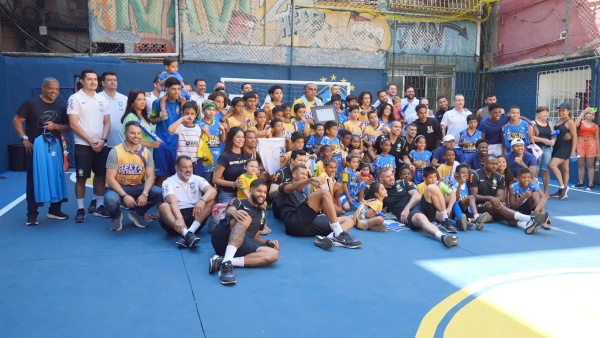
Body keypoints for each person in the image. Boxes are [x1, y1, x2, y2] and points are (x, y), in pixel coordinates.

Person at [12, 77, 71, 225]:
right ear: (43, 88)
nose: (54, 92)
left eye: (57, 89)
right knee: (33, 181)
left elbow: (68, 127)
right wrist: (24, 139)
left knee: (57, 178)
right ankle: (32, 214)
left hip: (54, 148)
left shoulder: (60, 106)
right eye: (51, 88)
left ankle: (54, 210)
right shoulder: (31, 103)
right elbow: (16, 120)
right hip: (36, 149)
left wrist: (56, 127)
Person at [209, 180, 279, 285]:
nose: (262, 195)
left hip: (241, 244)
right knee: (246, 217)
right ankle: (226, 268)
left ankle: (224, 261)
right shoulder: (238, 201)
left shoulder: (263, 213)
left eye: (265, 192)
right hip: (223, 237)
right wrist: (234, 212)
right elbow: (229, 211)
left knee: (274, 254)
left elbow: (254, 236)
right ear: (251, 190)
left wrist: (267, 242)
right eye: (259, 191)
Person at [277, 165, 360, 250]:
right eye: (302, 174)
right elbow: (295, 186)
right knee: (323, 193)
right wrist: (311, 179)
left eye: (306, 175)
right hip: (293, 221)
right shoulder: (284, 185)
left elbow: (336, 209)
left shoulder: (304, 195)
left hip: (309, 223)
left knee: (349, 220)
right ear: (294, 174)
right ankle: (339, 234)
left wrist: (321, 186)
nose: (305, 176)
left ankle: (329, 238)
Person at [67, 70, 111, 222]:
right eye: (90, 79)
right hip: (83, 146)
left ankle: (99, 206)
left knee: (101, 176)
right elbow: (73, 124)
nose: (93, 82)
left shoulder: (102, 100)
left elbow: (107, 122)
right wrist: (90, 140)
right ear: (82, 81)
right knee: (81, 178)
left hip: (100, 145)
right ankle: (80, 209)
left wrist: (103, 140)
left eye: (95, 79)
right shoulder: (75, 99)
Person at [104, 121, 163, 231]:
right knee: (111, 199)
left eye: (138, 133)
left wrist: (145, 194)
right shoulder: (115, 152)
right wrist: (124, 195)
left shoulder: (146, 152)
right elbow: (109, 178)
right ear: (125, 134)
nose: (136, 136)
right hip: (118, 187)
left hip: (137, 186)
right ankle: (116, 217)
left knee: (160, 193)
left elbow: (150, 177)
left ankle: (137, 214)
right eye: (132, 133)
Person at [379, 168, 458, 247]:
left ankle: (446, 220)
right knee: (420, 217)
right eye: (388, 177)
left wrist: (407, 208)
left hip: (419, 206)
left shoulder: (403, 183)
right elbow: (375, 206)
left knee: (432, 187)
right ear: (381, 180)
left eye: (392, 175)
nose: (391, 178)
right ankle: (443, 237)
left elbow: (417, 196)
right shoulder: (381, 193)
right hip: (411, 215)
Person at [468, 155, 547, 234]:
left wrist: (492, 200)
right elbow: (474, 195)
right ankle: (530, 218)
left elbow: (501, 196)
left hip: (493, 205)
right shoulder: (475, 174)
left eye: (496, 164)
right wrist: (490, 198)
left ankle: (526, 225)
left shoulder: (499, 177)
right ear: (485, 163)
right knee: (501, 207)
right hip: (478, 206)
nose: (495, 166)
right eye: (492, 164)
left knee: (505, 214)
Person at [159, 155, 217, 247]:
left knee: (210, 200)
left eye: (190, 166)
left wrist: (202, 200)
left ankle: (189, 233)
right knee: (163, 206)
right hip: (175, 220)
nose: (188, 170)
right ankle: (187, 234)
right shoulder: (168, 182)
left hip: (195, 218)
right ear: (177, 168)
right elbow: (172, 202)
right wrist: (179, 218)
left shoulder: (197, 178)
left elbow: (212, 191)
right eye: (185, 167)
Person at [150, 77, 185, 188]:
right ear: (167, 89)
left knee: (175, 174)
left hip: (176, 144)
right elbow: (151, 119)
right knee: (160, 175)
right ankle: (161, 203)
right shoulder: (157, 103)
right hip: (161, 143)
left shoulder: (182, 103)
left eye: (178, 89)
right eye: (173, 89)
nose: (176, 92)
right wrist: (159, 118)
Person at [213, 127, 252, 203]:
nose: (241, 139)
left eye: (242, 137)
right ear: (231, 138)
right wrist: (234, 184)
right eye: (238, 137)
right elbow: (215, 179)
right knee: (233, 212)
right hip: (229, 194)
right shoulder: (224, 156)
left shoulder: (247, 155)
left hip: (245, 193)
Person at [549, 102, 578, 199]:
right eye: (559, 110)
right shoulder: (559, 121)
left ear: (568, 111)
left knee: (552, 165)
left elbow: (574, 137)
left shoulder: (570, 122)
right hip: (558, 145)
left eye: (563, 110)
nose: (561, 112)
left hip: (565, 147)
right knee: (565, 169)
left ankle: (563, 187)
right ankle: (563, 191)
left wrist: (573, 151)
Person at [121, 89, 162, 155]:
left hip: (148, 153)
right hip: (136, 154)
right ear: (132, 102)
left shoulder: (143, 116)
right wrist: (150, 144)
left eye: (144, 99)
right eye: (139, 100)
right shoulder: (131, 116)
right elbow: (128, 138)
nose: (143, 102)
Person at [167, 101, 203, 174]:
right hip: (182, 161)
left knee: (195, 182)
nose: (189, 116)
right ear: (182, 114)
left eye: (192, 113)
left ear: (195, 115)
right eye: (187, 113)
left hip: (195, 161)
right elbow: (170, 130)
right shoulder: (180, 127)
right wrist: (182, 119)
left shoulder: (198, 128)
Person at [99, 71, 128, 150]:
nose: (113, 82)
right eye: (109, 80)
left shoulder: (124, 99)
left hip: (121, 143)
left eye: (115, 80)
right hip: (102, 144)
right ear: (103, 83)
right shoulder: (97, 98)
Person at [532, 106, 556, 197]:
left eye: (547, 113)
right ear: (538, 114)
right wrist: (542, 140)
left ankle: (546, 192)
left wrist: (553, 140)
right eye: (543, 113)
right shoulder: (533, 123)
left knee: (546, 170)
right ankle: (537, 191)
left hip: (547, 149)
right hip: (536, 150)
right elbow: (531, 137)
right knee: (536, 170)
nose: (545, 114)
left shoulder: (549, 124)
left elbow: (553, 135)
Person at [574, 107, 599, 190]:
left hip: (591, 144)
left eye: (592, 114)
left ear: (594, 116)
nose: (590, 115)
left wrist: (599, 152)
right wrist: (583, 112)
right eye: (589, 113)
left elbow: (597, 139)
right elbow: (575, 125)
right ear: (586, 114)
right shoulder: (580, 123)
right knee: (580, 164)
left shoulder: (596, 126)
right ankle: (580, 182)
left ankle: (591, 183)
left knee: (590, 164)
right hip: (580, 143)